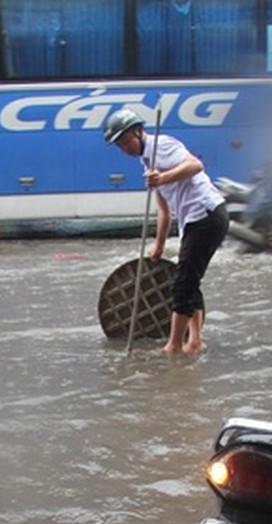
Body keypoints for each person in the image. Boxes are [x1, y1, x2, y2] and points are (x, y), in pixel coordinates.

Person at [104, 108, 228, 355]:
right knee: (189, 279)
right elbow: (164, 211)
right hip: (193, 221)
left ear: (139, 132)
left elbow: (195, 164)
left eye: (126, 141)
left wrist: (164, 178)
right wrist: (159, 245)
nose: (125, 148)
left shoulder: (162, 145)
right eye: (120, 145)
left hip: (206, 215)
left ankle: (173, 346)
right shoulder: (147, 163)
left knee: (183, 285)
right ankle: (194, 341)